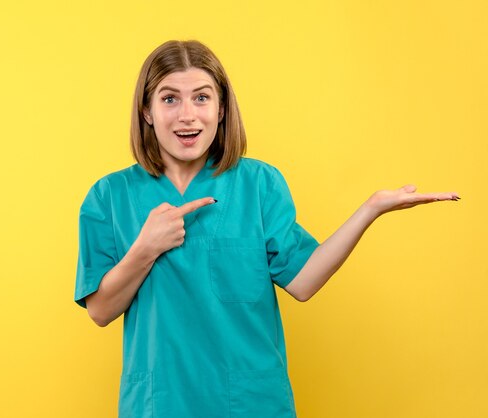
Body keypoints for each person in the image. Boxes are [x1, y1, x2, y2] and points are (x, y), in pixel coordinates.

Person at [74, 40, 460, 418]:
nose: (187, 114)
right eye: (170, 98)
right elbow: (101, 311)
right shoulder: (109, 196)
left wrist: (370, 209)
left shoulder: (260, 184)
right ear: (147, 111)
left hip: (250, 403)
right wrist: (146, 248)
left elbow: (304, 282)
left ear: (222, 108)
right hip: (161, 405)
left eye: (202, 98)